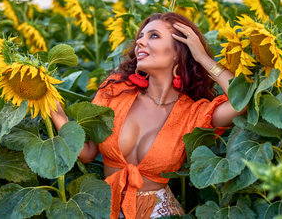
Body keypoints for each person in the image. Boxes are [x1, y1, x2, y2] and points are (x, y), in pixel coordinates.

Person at [50, 12, 246, 219]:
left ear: (178, 53)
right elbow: (87, 152)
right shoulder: (115, 90)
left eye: (153, 36)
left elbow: (240, 101)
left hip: (160, 213)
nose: (140, 42)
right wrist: (53, 108)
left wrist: (202, 58)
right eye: (140, 37)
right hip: (106, 207)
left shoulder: (193, 113)